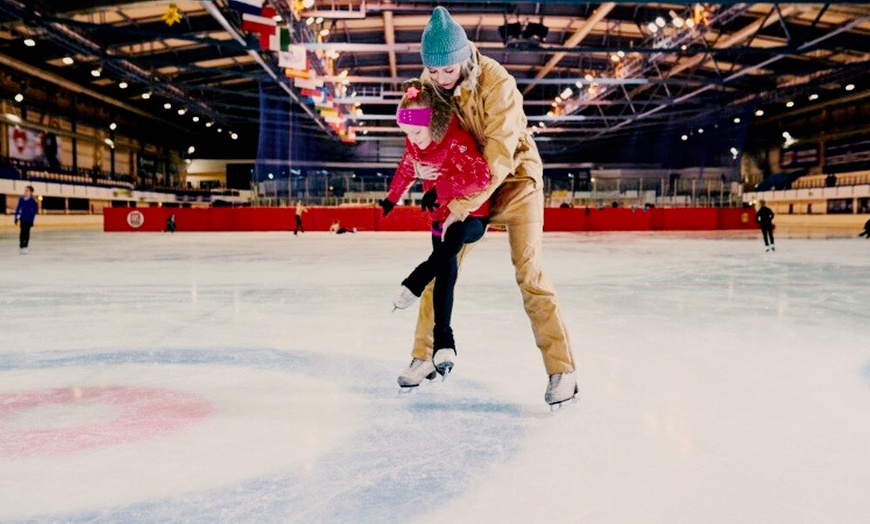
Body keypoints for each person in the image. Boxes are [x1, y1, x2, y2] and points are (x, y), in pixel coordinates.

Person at [398, 7, 577, 407]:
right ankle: (423, 357)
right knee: (443, 264)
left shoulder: (499, 84)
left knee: (530, 274)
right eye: (434, 71)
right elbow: (420, 133)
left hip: (514, 181)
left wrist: (460, 205)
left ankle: (562, 369)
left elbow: (498, 158)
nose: (441, 79)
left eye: (448, 70)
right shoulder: (430, 83)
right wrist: (424, 165)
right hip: (466, 182)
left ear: (464, 56)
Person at [381, 79, 492, 380]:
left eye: (416, 132)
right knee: (445, 274)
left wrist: (441, 187)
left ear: (433, 121)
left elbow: (482, 176)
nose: (413, 140)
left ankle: (416, 280)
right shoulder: (413, 143)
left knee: (452, 242)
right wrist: (392, 197)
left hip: (471, 215)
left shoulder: (454, 140)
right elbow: (406, 166)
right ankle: (442, 345)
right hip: (439, 217)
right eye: (406, 133)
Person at [14, 185, 38, 252]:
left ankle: (25, 245)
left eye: (27, 190)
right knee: (22, 232)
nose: (25, 192)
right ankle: (21, 245)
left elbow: (33, 212)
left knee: (26, 232)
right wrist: (16, 217)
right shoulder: (21, 199)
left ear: (30, 192)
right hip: (22, 218)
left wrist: (32, 221)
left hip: (29, 220)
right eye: (25, 190)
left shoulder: (32, 201)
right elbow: (18, 209)